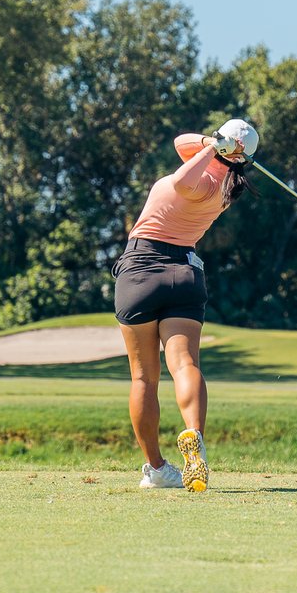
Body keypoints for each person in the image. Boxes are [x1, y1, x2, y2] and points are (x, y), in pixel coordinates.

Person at [112, 118, 259, 492]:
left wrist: (212, 147)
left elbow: (181, 181)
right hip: (184, 273)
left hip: (141, 269)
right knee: (185, 364)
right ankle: (194, 435)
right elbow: (182, 143)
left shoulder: (209, 181)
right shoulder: (227, 184)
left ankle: (157, 468)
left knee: (144, 377)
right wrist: (215, 143)